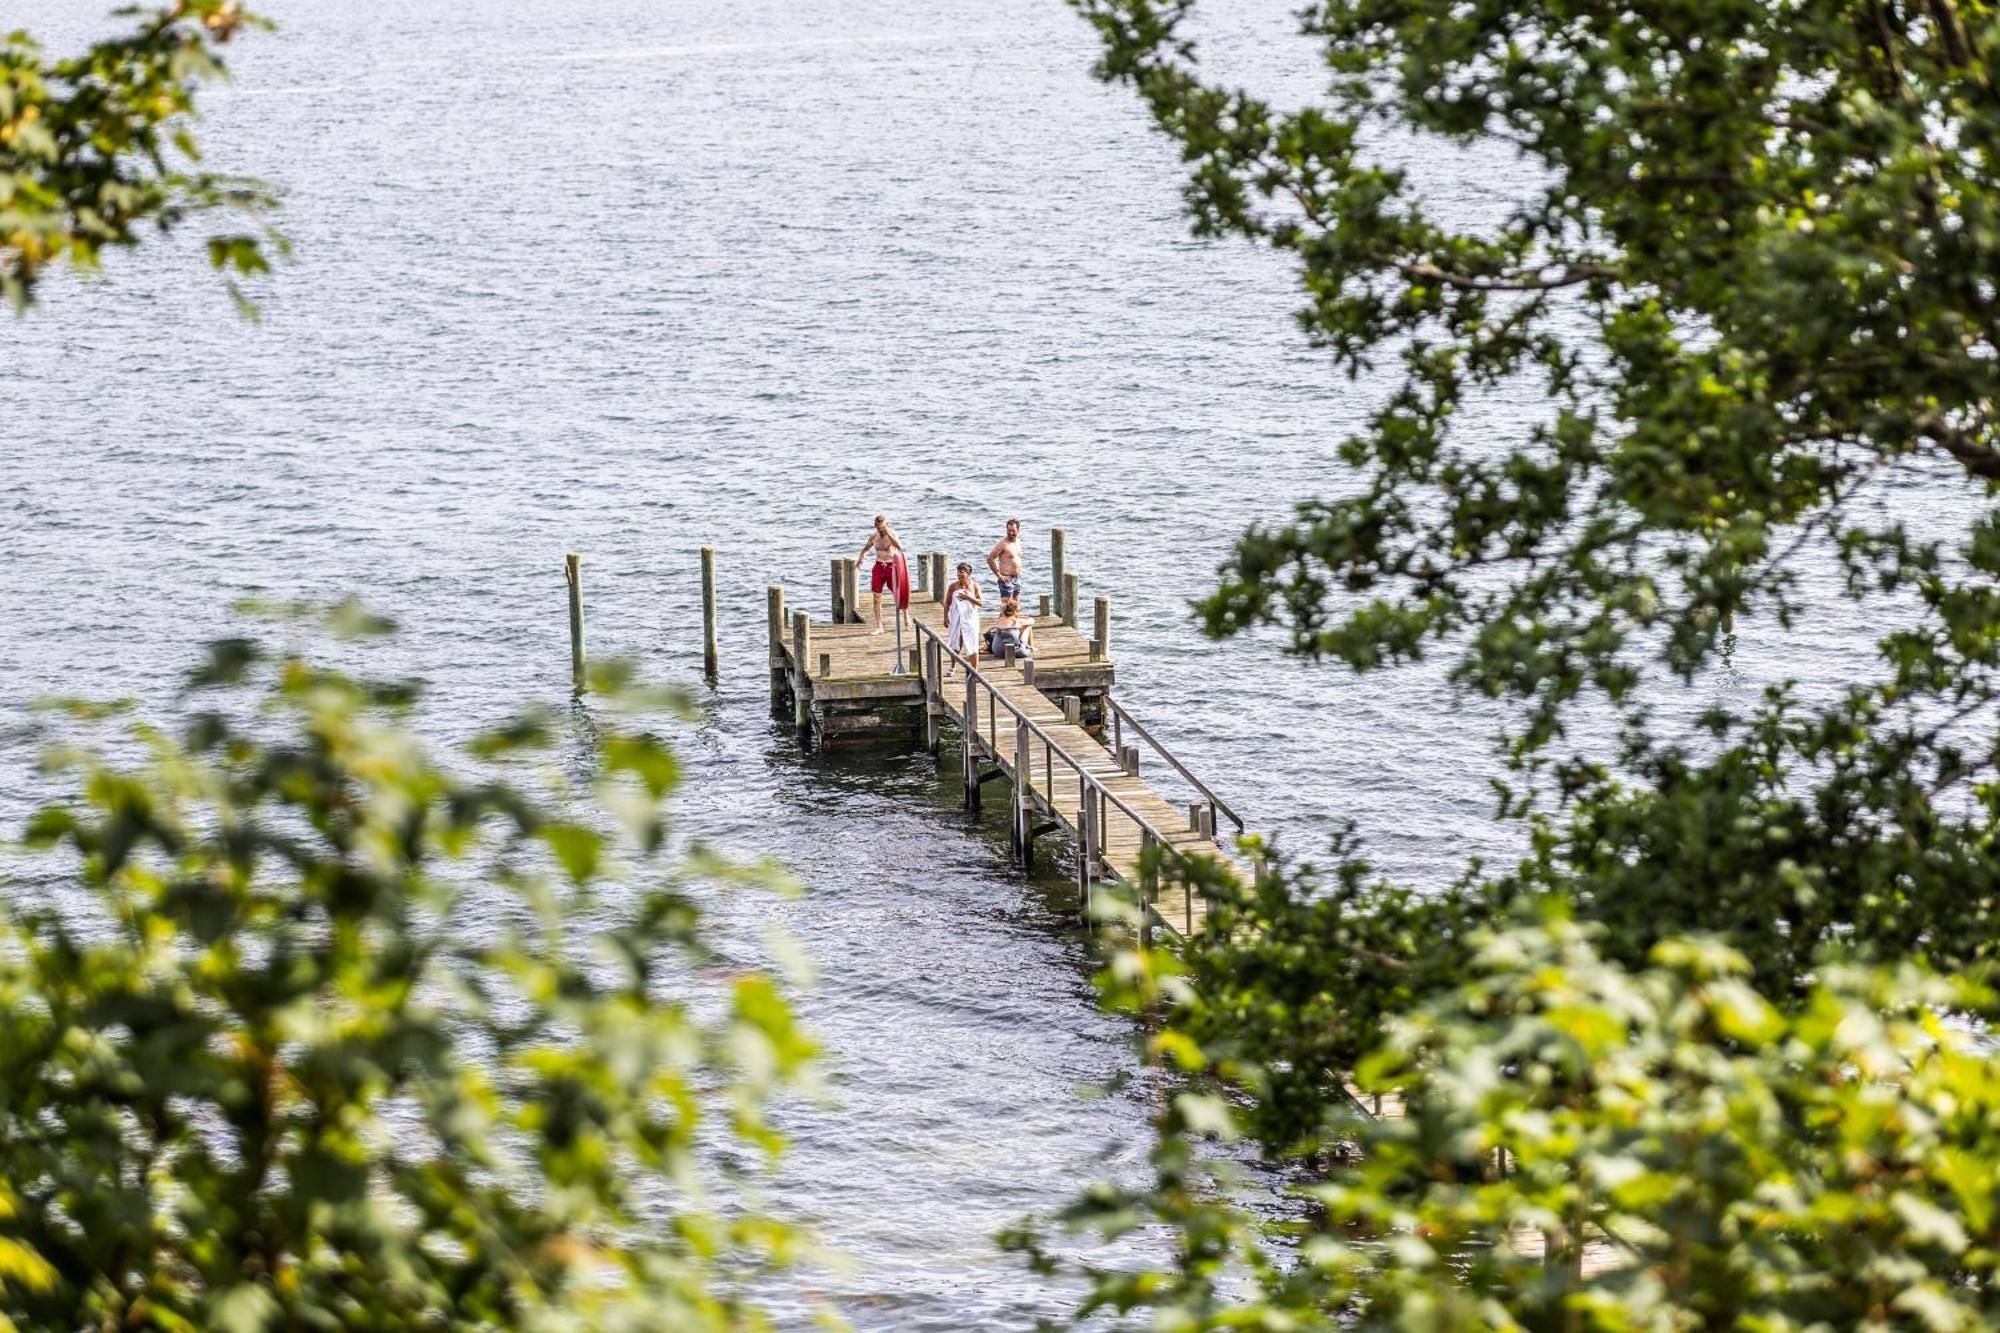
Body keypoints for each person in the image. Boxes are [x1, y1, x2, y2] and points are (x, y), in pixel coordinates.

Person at [856, 514, 908, 634]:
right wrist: (860, 558)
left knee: (898, 594)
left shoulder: (892, 534)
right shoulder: (874, 536)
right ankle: (879, 626)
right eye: (878, 528)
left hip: (891, 566)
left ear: (886, 525)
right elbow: (865, 548)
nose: (880, 530)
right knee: (876, 598)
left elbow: (900, 547)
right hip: (879, 566)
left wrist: (888, 533)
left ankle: (906, 615)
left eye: (882, 528)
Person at [944, 562, 983, 676]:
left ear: (968, 573)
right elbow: (947, 603)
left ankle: (974, 670)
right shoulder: (953, 586)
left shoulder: (974, 586)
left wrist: (968, 597)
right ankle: (952, 666)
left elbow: (981, 602)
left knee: (972, 642)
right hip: (956, 618)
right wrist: (945, 617)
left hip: (970, 618)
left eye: (962, 572)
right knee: (956, 641)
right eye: (958, 572)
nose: (959, 575)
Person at [985, 517, 1024, 603]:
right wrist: (999, 576)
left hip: (1017, 578)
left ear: (1018, 530)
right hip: (1006, 579)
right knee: (1006, 607)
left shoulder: (1017, 541)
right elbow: (990, 559)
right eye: (1009, 530)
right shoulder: (1003, 544)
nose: (1011, 533)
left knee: (1016, 604)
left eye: (1013, 531)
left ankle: (1015, 617)